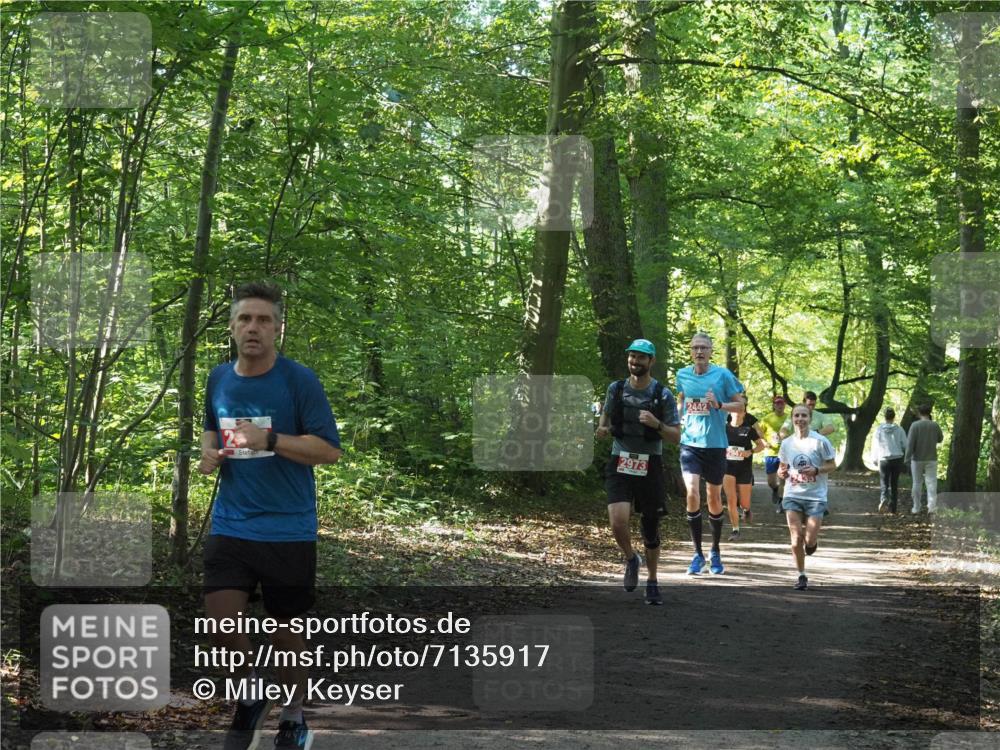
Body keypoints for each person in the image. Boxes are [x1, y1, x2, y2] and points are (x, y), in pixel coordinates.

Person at [198, 282, 342, 750]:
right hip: (231, 523)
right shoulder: (218, 378)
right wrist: (208, 456)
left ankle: (294, 718)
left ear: (278, 327)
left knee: (287, 634)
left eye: (263, 320)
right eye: (245, 319)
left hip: (288, 527)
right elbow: (208, 431)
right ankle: (252, 692)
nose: (253, 328)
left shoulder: (299, 381)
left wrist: (272, 440)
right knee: (221, 622)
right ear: (232, 327)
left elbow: (328, 451)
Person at [596, 339, 680, 605]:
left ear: (651, 361)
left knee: (650, 528)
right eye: (632, 357)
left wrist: (656, 424)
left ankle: (652, 581)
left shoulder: (662, 395)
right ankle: (632, 558)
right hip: (620, 460)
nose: (635, 362)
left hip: (650, 464)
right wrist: (602, 429)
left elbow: (676, 436)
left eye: (641, 358)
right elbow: (606, 418)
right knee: (618, 520)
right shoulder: (616, 389)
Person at [675, 333, 746, 576]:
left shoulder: (723, 375)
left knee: (714, 498)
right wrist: (679, 416)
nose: (699, 351)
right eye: (695, 347)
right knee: (692, 493)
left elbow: (740, 405)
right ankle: (697, 554)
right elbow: (682, 397)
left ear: (711, 350)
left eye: (704, 347)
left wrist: (719, 405)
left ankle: (715, 550)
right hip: (690, 444)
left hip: (715, 445)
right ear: (691, 351)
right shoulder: (682, 375)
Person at [777, 404, 836, 590]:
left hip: (816, 497)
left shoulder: (820, 441)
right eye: (797, 415)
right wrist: (781, 472)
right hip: (792, 494)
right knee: (796, 538)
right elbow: (783, 466)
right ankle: (801, 575)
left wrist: (817, 469)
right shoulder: (786, 443)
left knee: (809, 540)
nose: (800, 419)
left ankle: (812, 543)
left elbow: (832, 465)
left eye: (804, 415)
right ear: (792, 418)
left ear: (810, 418)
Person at [724, 405, 766, 541]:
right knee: (731, 499)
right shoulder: (723, 428)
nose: (737, 413)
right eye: (735, 410)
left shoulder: (749, 429)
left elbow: (761, 445)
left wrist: (750, 452)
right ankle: (735, 530)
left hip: (744, 469)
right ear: (730, 412)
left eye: (740, 411)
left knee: (744, 503)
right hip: (727, 468)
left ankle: (746, 510)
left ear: (744, 413)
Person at [904, 404, 943, 514]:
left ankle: (916, 507)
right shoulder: (935, 425)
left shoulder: (914, 426)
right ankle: (932, 507)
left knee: (916, 483)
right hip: (931, 458)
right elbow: (940, 439)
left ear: (919, 413)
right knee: (931, 482)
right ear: (929, 412)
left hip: (917, 459)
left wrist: (907, 458)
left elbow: (910, 443)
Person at [872, 407, 907, 513]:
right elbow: (905, 445)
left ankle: (883, 499)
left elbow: (875, 445)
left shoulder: (879, 429)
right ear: (894, 417)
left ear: (885, 417)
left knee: (884, 483)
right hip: (897, 458)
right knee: (894, 483)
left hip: (884, 459)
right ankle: (893, 508)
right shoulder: (900, 429)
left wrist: (874, 458)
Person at [757, 396, 788, 512]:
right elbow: (758, 432)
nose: (779, 405)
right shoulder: (767, 419)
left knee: (783, 479)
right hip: (771, 453)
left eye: (781, 403)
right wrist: (764, 442)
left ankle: (781, 503)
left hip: (785, 453)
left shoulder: (789, 418)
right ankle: (775, 490)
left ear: (784, 405)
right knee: (771, 482)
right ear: (774, 405)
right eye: (777, 403)